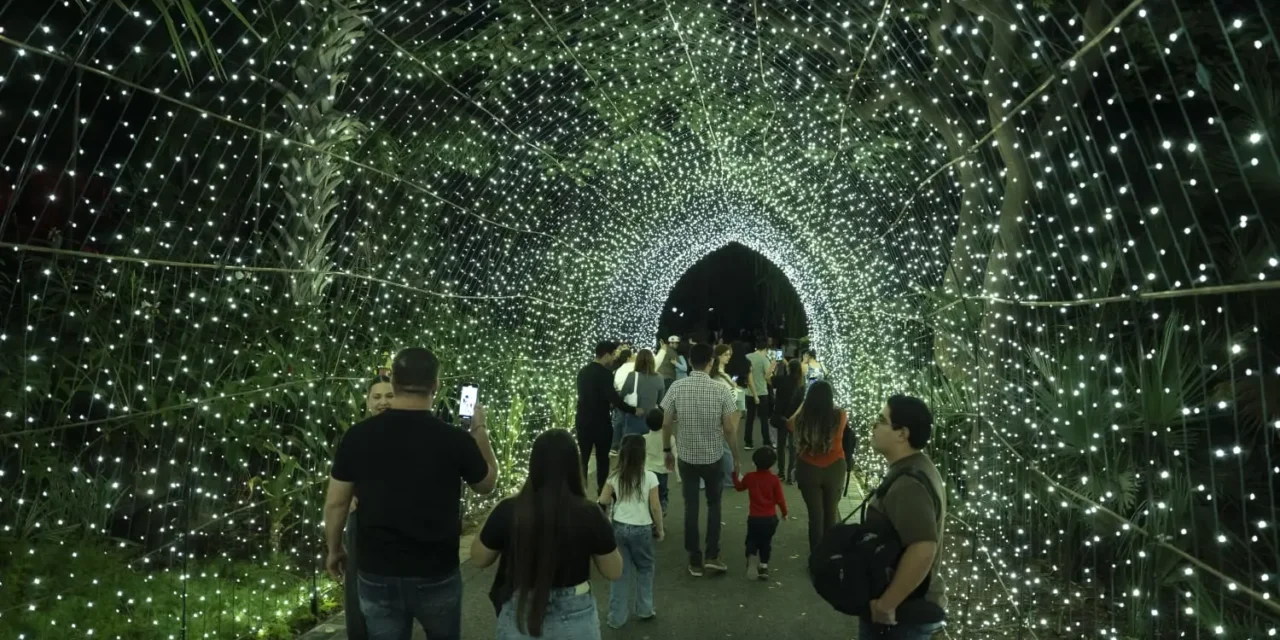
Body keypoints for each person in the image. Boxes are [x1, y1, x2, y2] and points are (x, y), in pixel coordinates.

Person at [324, 348, 498, 640]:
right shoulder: (454, 439)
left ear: (393, 383)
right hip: (436, 571)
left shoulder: (358, 436)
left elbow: (336, 502)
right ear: (436, 385)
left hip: (376, 572)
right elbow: (487, 484)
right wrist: (479, 430)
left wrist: (333, 549)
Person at [472, 429, 623, 639]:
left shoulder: (511, 509)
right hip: (576, 614)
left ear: (534, 465)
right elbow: (614, 571)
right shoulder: (590, 513)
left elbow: (479, 558)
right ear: (574, 465)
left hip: (519, 610)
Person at [863, 395, 947, 640]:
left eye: (881, 420)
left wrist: (886, 604)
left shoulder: (910, 483)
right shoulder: (915, 467)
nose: (873, 426)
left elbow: (923, 548)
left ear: (902, 434)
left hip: (902, 616)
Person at [661, 343, 740, 576]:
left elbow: (666, 422)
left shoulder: (677, 387)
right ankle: (712, 555)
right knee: (714, 504)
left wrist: (667, 450)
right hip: (713, 456)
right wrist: (735, 457)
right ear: (711, 362)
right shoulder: (720, 390)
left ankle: (694, 559)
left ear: (690, 360)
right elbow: (728, 428)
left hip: (686, 456)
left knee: (691, 506)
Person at [340, 376, 396, 640]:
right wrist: (348, 494)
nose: (383, 401)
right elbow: (339, 479)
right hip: (362, 519)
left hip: (400, 520)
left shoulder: (410, 433)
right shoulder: (356, 435)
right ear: (367, 401)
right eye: (377, 396)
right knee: (357, 582)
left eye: (390, 395)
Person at [598, 435, 664, 629]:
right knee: (645, 568)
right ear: (642, 454)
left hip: (618, 526)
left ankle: (616, 617)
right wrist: (659, 529)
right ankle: (644, 609)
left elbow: (602, 500)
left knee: (621, 572)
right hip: (642, 528)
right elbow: (655, 506)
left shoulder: (615, 476)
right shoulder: (650, 477)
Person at [786, 380, 848, 552]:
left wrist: (804, 404)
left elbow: (789, 424)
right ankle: (829, 555)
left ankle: (816, 557)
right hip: (835, 467)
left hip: (808, 468)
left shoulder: (803, 417)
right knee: (831, 514)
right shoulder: (840, 415)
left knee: (816, 516)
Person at [577, 341, 643, 494]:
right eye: (613, 355)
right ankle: (602, 493)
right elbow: (614, 399)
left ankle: (580, 492)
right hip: (600, 423)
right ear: (606, 354)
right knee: (602, 459)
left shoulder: (583, 371)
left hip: (582, 421)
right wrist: (633, 410)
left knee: (583, 458)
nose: (614, 359)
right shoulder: (605, 374)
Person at [730, 447, 788, 581]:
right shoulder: (774, 480)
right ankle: (763, 566)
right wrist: (785, 513)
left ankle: (751, 556)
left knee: (751, 538)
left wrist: (734, 475)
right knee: (766, 542)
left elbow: (739, 487)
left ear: (754, 462)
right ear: (772, 463)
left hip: (755, 517)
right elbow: (780, 499)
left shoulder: (750, 477)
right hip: (770, 518)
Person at [710, 344, 744, 485]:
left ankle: (730, 475)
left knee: (726, 444)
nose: (728, 357)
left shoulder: (721, 373)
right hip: (725, 411)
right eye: (725, 354)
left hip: (731, 409)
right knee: (727, 444)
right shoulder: (716, 374)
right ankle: (731, 477)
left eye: (729, 354)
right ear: (718, 355)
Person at [771, 359, 805, 484]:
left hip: (781, 417)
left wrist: (773, 366)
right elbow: (802, 403)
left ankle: (780, 473)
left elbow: (767, 378)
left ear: (788, 368)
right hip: (794, 419)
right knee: (793, 447)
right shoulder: (801, 384)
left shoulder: (781, 380)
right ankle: (791, 475)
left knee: (780, 446)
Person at [744, 336, 773, 449]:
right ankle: (766, 441)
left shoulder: (747, 357)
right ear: (765, 349)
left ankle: (748, 442)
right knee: (764, 419)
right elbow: (767, 376)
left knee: (749, 418)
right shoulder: (764, 359)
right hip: (762, 392)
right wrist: (772, 369)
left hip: (749, 392)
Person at [611, 348, 636, 453]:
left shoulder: (619, 369)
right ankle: (629, 447)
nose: (635, 356)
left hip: (619, 395)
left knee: (619, 421)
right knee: (631, 421)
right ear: (629, 357)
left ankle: (615, 446)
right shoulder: (633, 366)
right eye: (633, 354)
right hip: (630, 395)